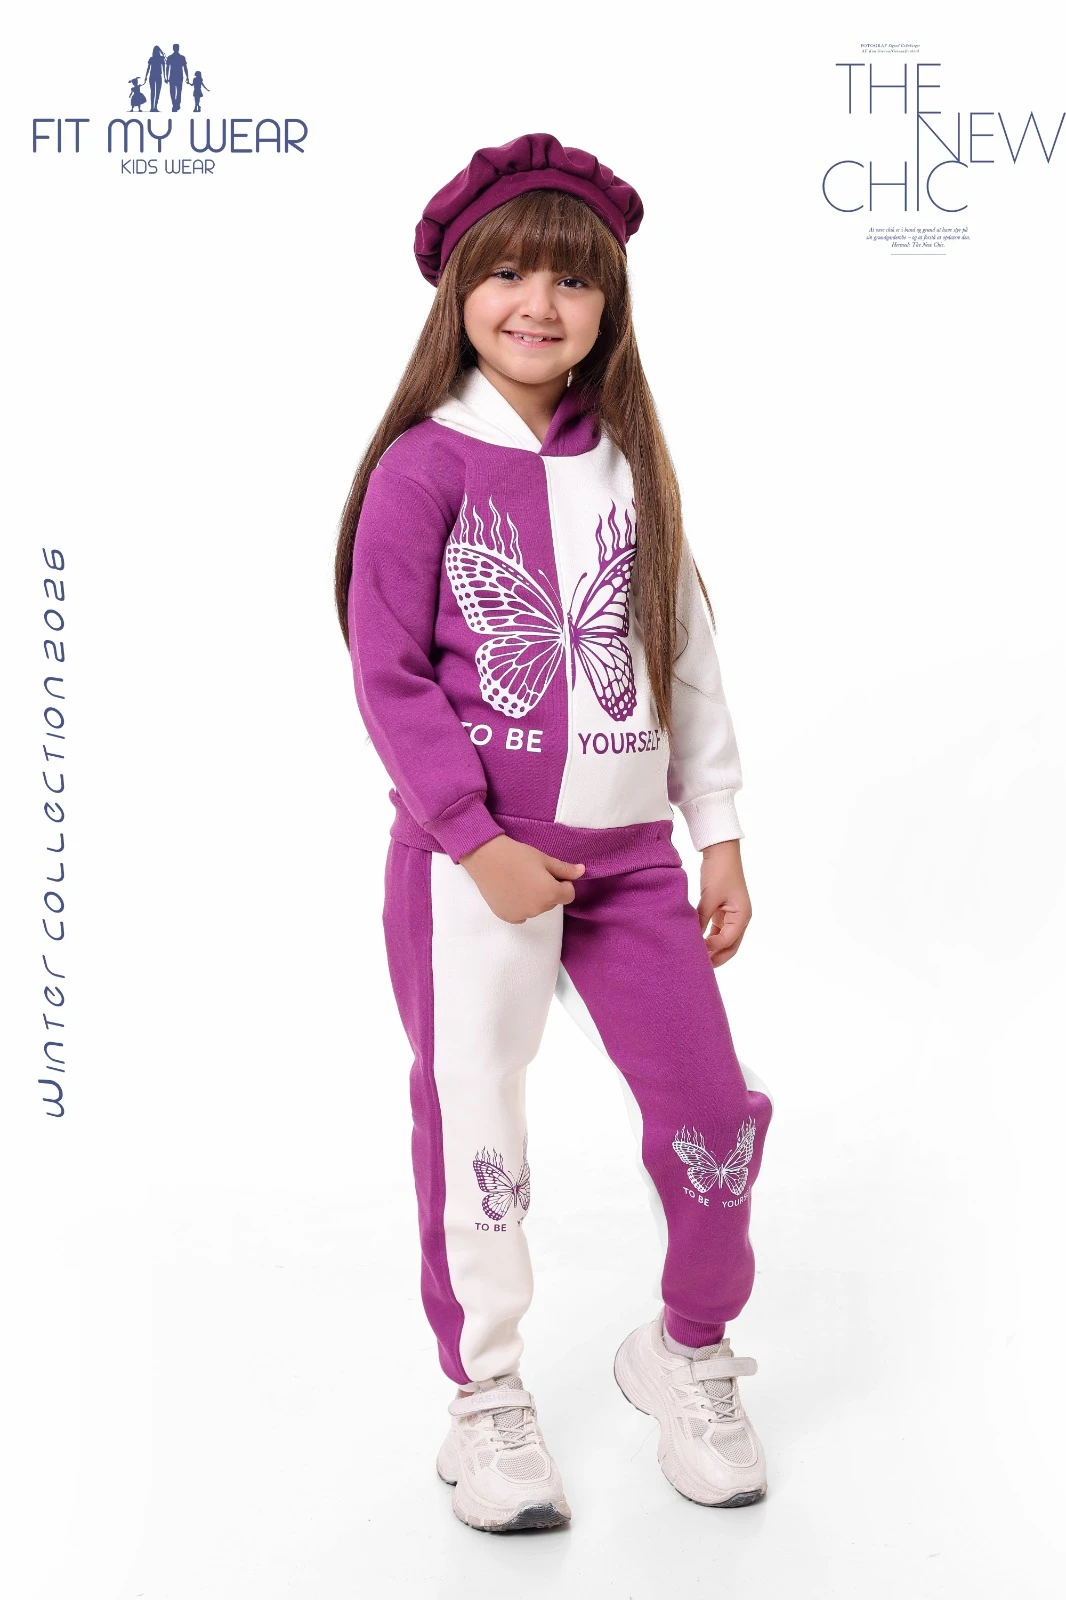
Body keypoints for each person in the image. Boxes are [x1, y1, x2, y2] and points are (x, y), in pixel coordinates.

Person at [335, 132, 775, 1534]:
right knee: (478, 1119)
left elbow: (680, 649)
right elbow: (388, 673)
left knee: (712, 1115)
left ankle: (686, 1349)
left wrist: (715, 827)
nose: (539, 303)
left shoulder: (631, 470)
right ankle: (485, 1397)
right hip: (478, 867)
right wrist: (472, 838)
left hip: (633, 862)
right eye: (509, 273)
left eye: (573, 280)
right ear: (458, 289)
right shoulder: (425, 468)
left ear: (608, 305)